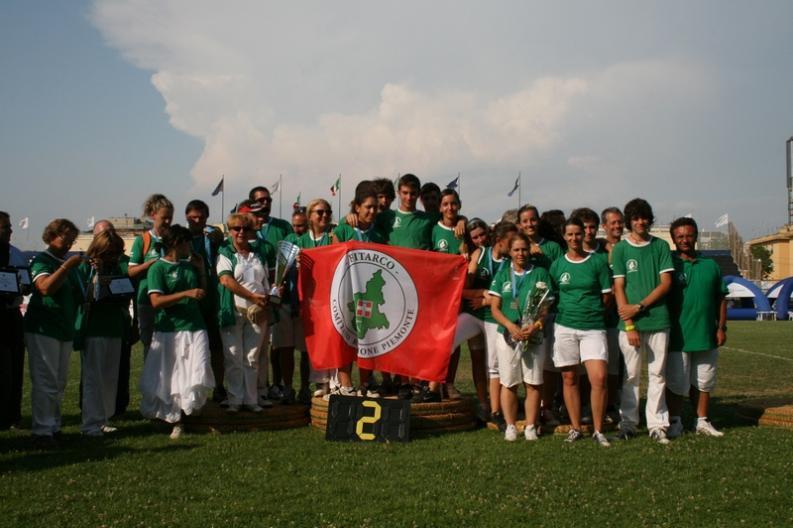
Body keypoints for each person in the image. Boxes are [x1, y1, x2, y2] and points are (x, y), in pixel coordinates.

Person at [139, 225, 215, 439]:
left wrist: (201, 270)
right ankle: (174, 419)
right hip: (169, 330)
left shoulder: (189, 265)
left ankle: (190, 410)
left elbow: (202, 292)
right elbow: (156, 301)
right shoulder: (157, 268)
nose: (190, 246)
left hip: (195, 326)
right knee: (172, 376)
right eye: (187, 242)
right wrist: (186, 293)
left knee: (196, 369)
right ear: (176, 244)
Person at [612, 198, 674, 444]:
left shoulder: (660, 246)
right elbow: (619, 287)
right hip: (630, 326)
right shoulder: (621, 249)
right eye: (636, 218)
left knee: (658, 374)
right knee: (630, 376)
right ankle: (628, 423)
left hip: (658, 320)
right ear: (629, 222)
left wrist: (639, 307)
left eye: (644, 217)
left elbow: (666, 283)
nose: (641, 222)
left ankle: (658, 424)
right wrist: (629, 324)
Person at [550, 219, 613, 447]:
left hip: (593, 327)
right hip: (565, 326)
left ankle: (598, 430)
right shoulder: (557, 265)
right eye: (570, 234)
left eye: (578, 234)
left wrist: (590, 311)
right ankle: (576, 428)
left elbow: (607, 295)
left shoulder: (597, 262)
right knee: (569, 378)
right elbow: (552, 296)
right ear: (564, 237)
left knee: (599, 378)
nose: (575, 238)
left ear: (583, 235)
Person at [666, 217, 728, 438]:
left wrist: (721, 327)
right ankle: (674, 421)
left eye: (689, 235)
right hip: (677, 335)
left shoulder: (710, 265)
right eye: (680, 236)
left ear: (696, 237)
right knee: (676, 383)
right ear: (673, 238)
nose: (685, 240)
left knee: (704, 380)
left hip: (706, 333)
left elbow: (721, 298)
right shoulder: (669, 264)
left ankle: (702, 420)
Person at [24, 219, 83, 447]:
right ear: (51, 236)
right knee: (45, 380)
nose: (68, 242)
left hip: (64, 328)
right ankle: (41, 430)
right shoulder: (43, 260)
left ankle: (53, 426)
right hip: (44, 327)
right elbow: (45, 287)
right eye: (64, 236)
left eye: (71, 238)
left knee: (59, 382)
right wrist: (66, 267)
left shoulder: (67, 263)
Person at [489, 232, 552, 441]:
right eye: (516, 250)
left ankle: (531, 426)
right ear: (510, 252)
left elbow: (545, 307)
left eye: (524, 249)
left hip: (533, 335)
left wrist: (535, 326)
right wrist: (509, 325)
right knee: (509, 382)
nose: (521, 253)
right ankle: (510, 425)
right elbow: (495, 308)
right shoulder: (502, 275)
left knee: (533, 382)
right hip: (507, 336)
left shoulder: (540, 273)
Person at [216, 213, 272, 413]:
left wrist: (270, 296)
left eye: (245, 229)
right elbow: (226, 280)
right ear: (230, 231)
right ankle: (234, 401)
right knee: (233, 357)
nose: (241, 232)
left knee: (252, 358)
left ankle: (251, 399)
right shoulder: (225, 252)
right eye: (236, 228)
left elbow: (266, 282)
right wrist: (252, 296)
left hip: (258, 312)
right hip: (233, 311)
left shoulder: (259, 253)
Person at [76, 228, 129, 436]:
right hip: (94, 328)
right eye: (108, 252)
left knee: (109, 378)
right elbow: (85, 296)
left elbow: (125, 294)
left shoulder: (118, 268)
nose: (112, 257)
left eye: (115, 252)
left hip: (114, 327)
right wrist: (97, 276)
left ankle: (104, 418)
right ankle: (90, 423)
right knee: (93, 377)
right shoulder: (85, 268)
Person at [517, 205, 564, 427]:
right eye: (525, 221)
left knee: (549, 363)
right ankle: (527, 407)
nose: (529, 224)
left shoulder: (552, 247)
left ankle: (547, 407)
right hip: (522, 316)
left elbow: (560, 274)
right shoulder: (518, 247)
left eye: (532, 220)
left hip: (548, 312)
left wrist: (541, 254)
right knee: (525, 363)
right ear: (519, 224)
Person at [185, 199, 226, 403]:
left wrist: (219, 238)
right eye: (193, 217)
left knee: (217, 346)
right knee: (192, 347)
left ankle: (219, 387)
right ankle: (192, 390)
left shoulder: (213, 237)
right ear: (186, 217)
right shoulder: (181, 239)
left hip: (213, 297)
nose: (198, 220)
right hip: (191, 296)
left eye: (201, 216)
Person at [128, 194, 173, 357]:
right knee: (151, 345)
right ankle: (151, 380)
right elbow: (131, 271)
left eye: (170, 218)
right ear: (153, 215)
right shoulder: (143, 240)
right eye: (164, 218)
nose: (168, 221)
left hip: (169, 300)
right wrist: (151, 264)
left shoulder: (173, 240)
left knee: (170, 345)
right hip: (147, 301)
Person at [0, 212, 28, 430]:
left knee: (16, 366)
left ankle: (13, 415)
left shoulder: (16, 254)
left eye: (10, 227)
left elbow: (25, 281)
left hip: (12, 314)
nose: (10, 231)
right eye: (5, 227)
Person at [599, 207, 625, 422]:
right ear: (604, 226)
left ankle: (617, 403)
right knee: (605, 364)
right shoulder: (599, 250)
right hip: (603, 317)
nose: (617, 226)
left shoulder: (629, 248)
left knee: (621, 365)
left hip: (625, 316)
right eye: (612, 223)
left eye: (619, 222)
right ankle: (606, 405)